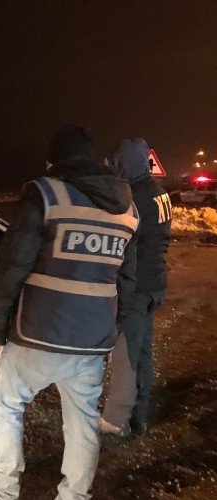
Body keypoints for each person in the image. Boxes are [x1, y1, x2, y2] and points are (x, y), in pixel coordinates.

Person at [0, 124, 139, 500]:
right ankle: (74, 497)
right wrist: (113, 329)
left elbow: (12, 265)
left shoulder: (45, 193)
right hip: (92, 341)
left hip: (39, 333)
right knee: (82, 423)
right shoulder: (127, 208)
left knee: (6, 406)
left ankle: (3, 491)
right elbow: (126, 281)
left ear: (54, 160)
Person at [100, 138, 172, 436]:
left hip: (138, 287)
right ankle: (138, 415)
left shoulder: (136, 199)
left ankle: (118, 420)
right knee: (141, 351)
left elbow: (125, 243)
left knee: (127, 354)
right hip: (154, 283)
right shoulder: (159, 192)